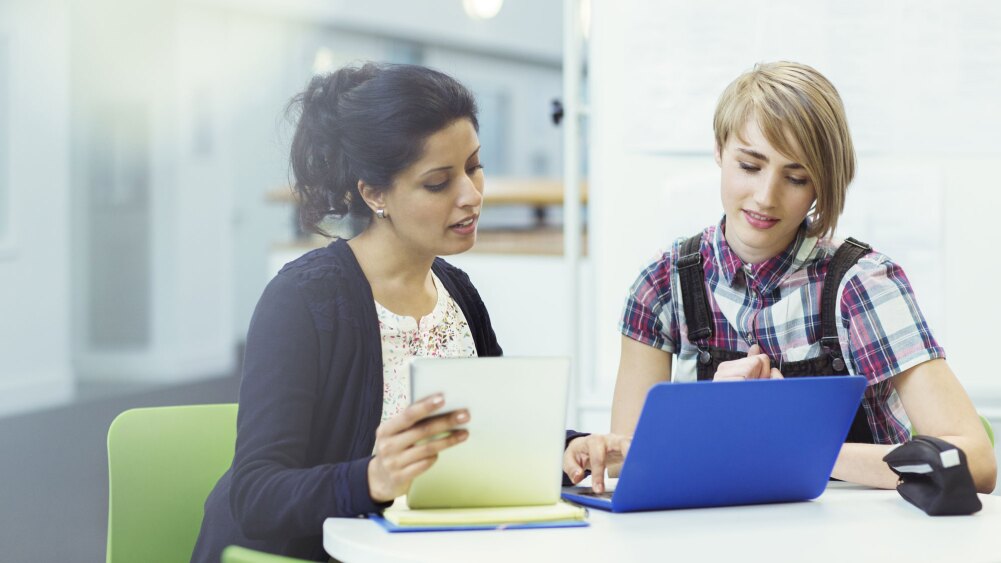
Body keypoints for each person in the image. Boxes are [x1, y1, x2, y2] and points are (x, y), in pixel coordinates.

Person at [563, 61, 997, 496]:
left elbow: (976, 463)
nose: (766, 197)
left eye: (796, 177)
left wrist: (788, 441)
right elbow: (631, 466)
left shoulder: (860, 285)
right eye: (749, 166)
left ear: (821, 186)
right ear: (719, 149)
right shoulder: (661, 285)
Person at [192, 62, 502, 562]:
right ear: (374, 194)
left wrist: (566, 451)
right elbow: (256, 495)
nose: (472, 195)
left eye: (473, 166)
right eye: (438, 182)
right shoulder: (303, 300)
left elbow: (493, 431)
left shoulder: (458, 293)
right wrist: (373, 478)